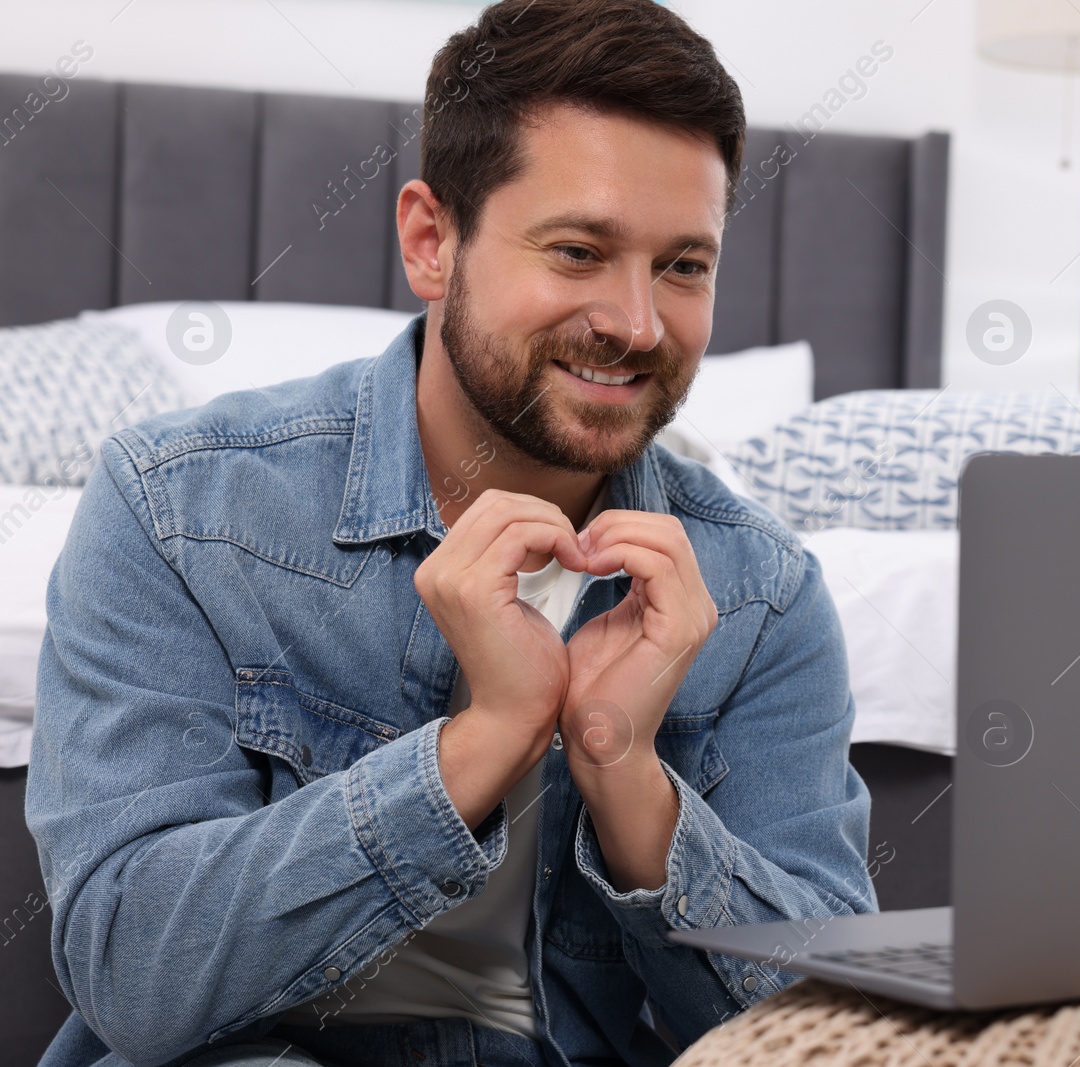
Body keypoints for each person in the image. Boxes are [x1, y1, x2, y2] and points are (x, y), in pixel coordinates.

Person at [25, 2, 875, 1064]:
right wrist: (477, 746)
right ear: (432, 241)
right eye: (577, 250)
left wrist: (626, 774)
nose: (637, 322)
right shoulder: (178, 508)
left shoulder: (761, 594)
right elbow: (135, 974)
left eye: (683, 265)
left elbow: (832, 1038)